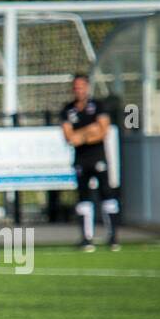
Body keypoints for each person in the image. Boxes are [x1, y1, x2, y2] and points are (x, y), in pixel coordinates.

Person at [61, 74, 120, 251]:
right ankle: (87, 239)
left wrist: (82, 134)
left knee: (107, 195)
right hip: (80, 160)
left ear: (87, 87)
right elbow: (70, 138)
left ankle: (113, 237)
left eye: (81, 86)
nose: (78, 90)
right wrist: (90, 130)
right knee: (83, 199)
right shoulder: (68, 110)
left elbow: (103, 131)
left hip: (98, 158)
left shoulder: (98, 106)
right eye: (76, 87)